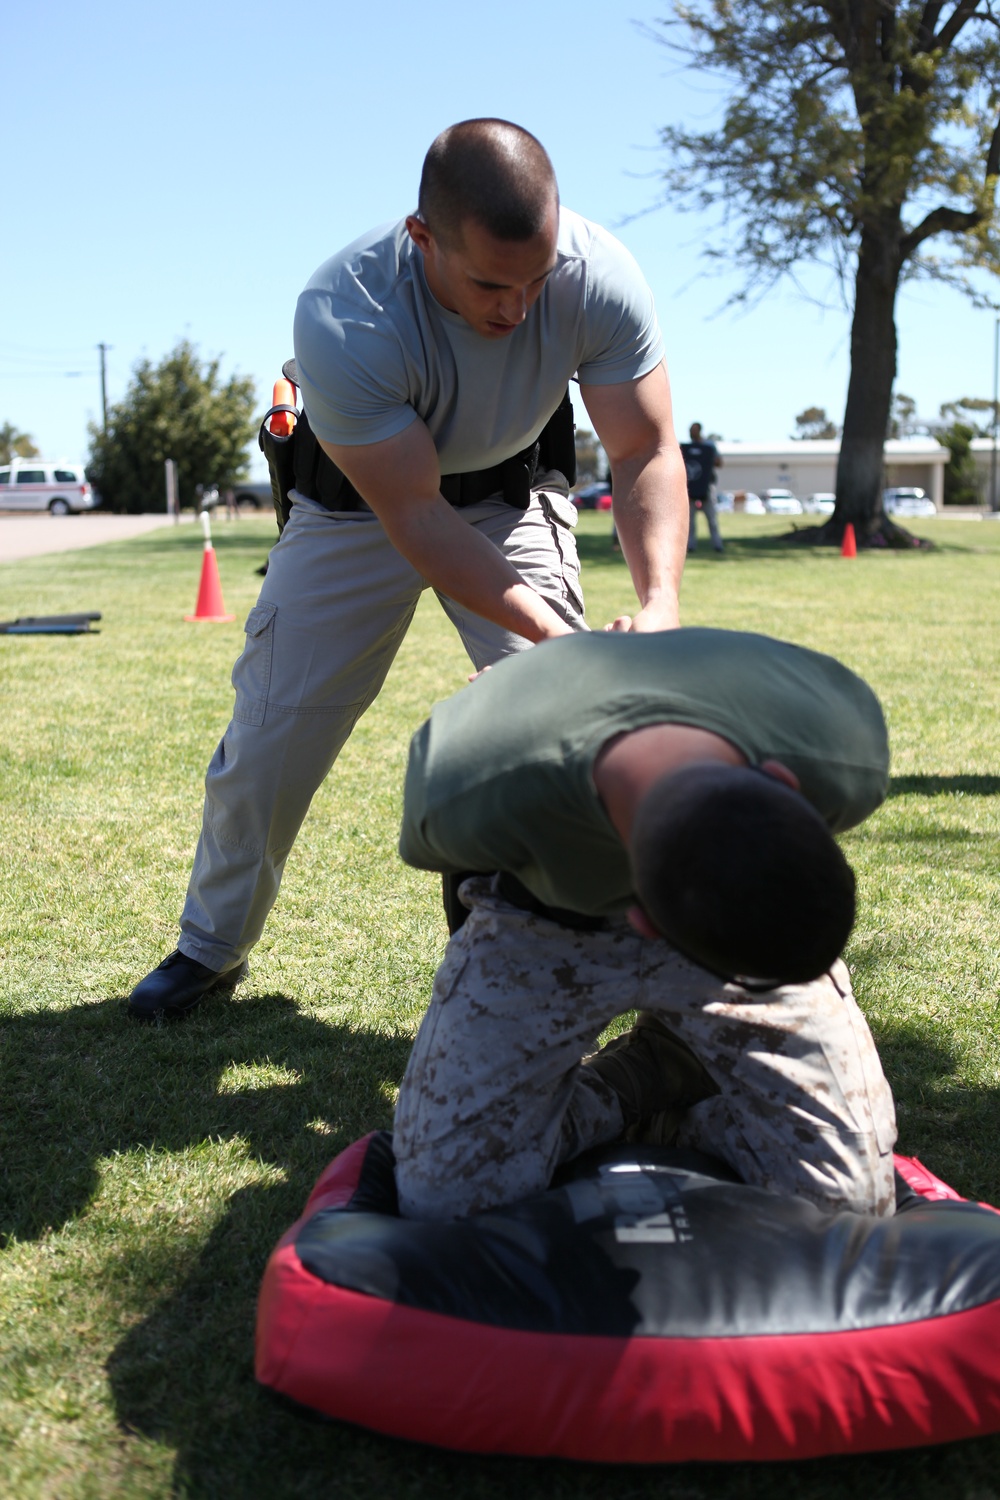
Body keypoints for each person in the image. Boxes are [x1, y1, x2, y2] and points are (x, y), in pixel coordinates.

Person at [128, 119, 689, 1022]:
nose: (516, 309)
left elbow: (645, 448)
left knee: (563, 728)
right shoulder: (343, 311)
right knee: (271, 739)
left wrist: (659, 605)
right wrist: (554, 635)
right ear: (422, 238)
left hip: (511, 496)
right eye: (490, 285)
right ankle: (210, 947)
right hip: (359, 507)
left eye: (535, 281)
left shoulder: (596, 275)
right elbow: (418, 517)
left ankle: (553, 967)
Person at [392, 626, 898, 1222]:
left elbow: (772, 861)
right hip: (542, 916)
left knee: (850, 1202)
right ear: (644, 918)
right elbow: (464, 883)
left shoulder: (845, 751)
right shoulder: (466, 785)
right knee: (446, 1200)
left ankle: (673, 1098)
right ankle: (637, 1081)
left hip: (726, 903)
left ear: (785, 779)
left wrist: (736, 916)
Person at [681, 421, 723, 553]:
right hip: (690, 489)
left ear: (699, 431)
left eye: (693, 430)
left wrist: (708, 458)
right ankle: (690, 546)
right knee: (689, 520)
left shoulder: (709, 446)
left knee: (712, 519)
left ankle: (717, 545)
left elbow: (719, 462)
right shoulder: (685, 448)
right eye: (690, 430)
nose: (691, 433)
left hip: (707, 488)